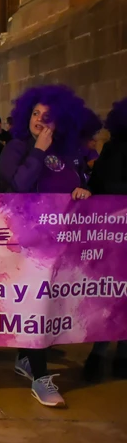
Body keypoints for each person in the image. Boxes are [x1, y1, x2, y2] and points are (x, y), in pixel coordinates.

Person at [0, 85, 93, 407]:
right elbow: (18, 185)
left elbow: (76, 183)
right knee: (37, 305)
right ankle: (40, 377)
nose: (40, 119)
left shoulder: (69, 151)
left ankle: (26, 358)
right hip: (29, 241)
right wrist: (38, 149)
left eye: (47, 116)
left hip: (63, 241)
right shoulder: (16, 147)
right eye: (35, 114)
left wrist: (82, 190)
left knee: (53, 304)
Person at [84, 96, 127, 382]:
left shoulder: (111, 149)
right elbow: (101, 184)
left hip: (110, 230)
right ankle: (111, 354)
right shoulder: (112, 150)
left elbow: (98, 183)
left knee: (111, 293)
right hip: (112, 230)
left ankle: (101, 354)